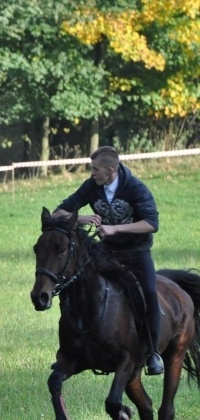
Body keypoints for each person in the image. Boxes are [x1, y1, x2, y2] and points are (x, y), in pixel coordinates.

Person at [53, 146, 163, 376]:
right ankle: (74, 347)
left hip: (136, 251)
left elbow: (152, 223)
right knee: (76, 283)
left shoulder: (135, 188)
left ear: (110, 170)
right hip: (107, 251)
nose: (92, 173)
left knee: (150, 294)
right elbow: (57, 213)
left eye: (95, 169)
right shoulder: (91, 186)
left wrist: (115, 228)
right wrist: (80, 218)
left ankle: (153, 353)